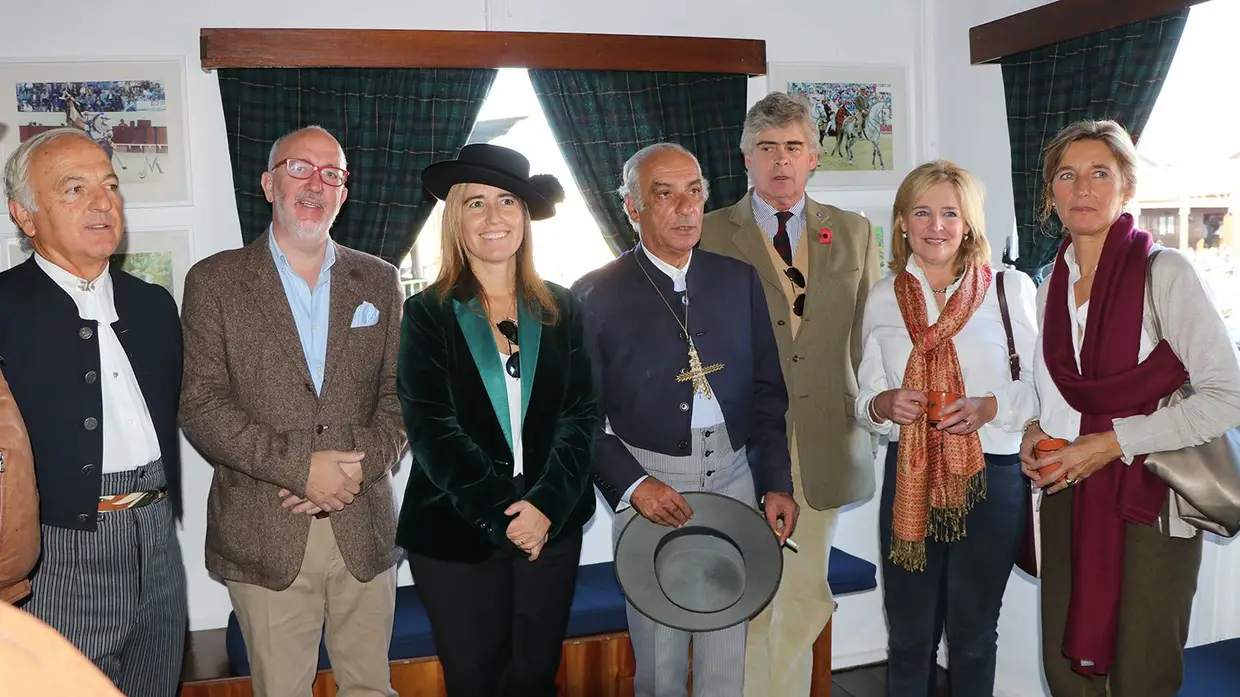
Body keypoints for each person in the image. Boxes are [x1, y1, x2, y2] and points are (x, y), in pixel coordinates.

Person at [179, 125, 407, 697]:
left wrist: (352, 473)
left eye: (331, 173)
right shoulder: (215, 281)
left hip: (364, 528)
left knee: (372, 690)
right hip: (264, 529)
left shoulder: (379, 280)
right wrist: (302, 469)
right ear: (267, 182)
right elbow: (200, 403)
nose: (315, 183)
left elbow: (399, 397)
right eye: (299, 168)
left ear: (344, 192)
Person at [1020, 119, 1240, 697]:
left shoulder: (1165, 273)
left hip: (1149, 501)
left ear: (1126, 188)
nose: (1083, 188)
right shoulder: (1050, 287)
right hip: (1068, 492)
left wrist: (1112, 443)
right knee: (1067, 670)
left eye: (1100, 174)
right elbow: (1060, 397)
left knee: (1140, 672)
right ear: (1051, 195)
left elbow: (1226, 397)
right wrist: (1032, 431)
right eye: (1067, 176)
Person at [572, 142, 798, 697]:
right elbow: (579, 417)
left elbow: (769, 395)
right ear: (631, 208)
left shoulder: (737, 280)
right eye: (664, 194)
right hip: (651, 482)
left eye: (694, 191)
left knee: (726, 656)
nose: (685, 207)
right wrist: (633, 486)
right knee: (661, 665)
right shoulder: (593, 294)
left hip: (735, 474)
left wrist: (775, 482)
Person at [395, 143, 596, 697]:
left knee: (535, 678)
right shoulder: (426, 312)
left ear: (525, 216)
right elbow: (432, 427)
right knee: (474, 681)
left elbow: (580, 416)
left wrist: (544, 508)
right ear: (455, 218)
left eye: (506, 201)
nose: (493, 217)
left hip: (550, 529)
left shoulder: (562, 307)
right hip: (455, 532)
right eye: (475, 203)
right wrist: (504, 513)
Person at [698, 91, 880, 697]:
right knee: (744, 590)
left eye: (794, 147)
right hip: (740, 444)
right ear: (745, 157)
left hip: (827, 439)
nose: (781, 160)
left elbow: (870, 339)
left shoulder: (853, 233)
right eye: (767, 148)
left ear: (814, 158)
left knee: (805, 593)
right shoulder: (710, 234)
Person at [0, 127, 186, 695]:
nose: (103, 202)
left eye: (109, 185)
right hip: (55, 551)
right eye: (74, 189)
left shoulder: (152, 304)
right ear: (24, 217)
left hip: (156, 537)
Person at [854, 160, 1039, 696]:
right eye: (922, 212)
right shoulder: (885, 296)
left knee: (974, 634)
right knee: (910, 635)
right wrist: (884, 404)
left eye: (950, 213)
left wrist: (989, 407)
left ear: (969, 223)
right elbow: (865, 397)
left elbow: (1040, 389)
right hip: (909, 478)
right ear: (903, 223)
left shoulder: (1009, 288)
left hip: (991, 477)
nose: (936, 225)